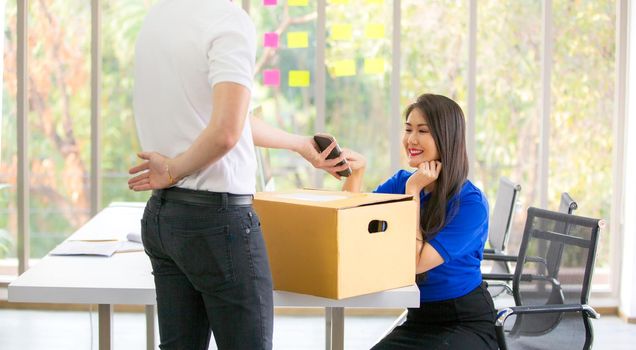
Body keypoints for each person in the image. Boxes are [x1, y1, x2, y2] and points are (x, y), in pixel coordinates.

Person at [127, 1, 348, 349]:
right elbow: (226, 133)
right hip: (217, 221)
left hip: (164, 217)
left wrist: (299, 144)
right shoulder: (228, 21)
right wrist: (172, 169)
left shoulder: (159, 15)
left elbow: (229, 119)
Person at [341, 93, 498, 349]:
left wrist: (412, 191)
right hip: (419, 318)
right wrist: (356, 173)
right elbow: (348, 223)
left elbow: (415, 264)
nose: (411, 139)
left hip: (464, 321)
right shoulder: (402, 181)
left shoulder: (470, 205)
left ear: (446, 137)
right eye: (408, 129)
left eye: (423, 131)